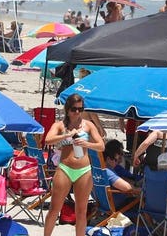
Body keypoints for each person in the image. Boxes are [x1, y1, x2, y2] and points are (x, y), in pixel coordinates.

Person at [43, 93, 104, 236]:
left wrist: (86, 143)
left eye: (80, 109)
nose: (77, 112)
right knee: (54, 208)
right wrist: (66, 135)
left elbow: (101, 145)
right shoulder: (60, 125)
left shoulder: (88, 125)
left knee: (81, 211)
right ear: (67, 109)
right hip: (65, 168)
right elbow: (48, 140)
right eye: (74, 109)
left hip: (84, 170)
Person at [103, 140, 138, 208]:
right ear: (108, 159)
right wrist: (139, 190)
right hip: (118, 204)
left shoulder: (98, 170)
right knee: (144, 200)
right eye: (117, 159)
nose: (120, 161)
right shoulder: (107, 172)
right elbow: (128, 188)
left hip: (104, 203)